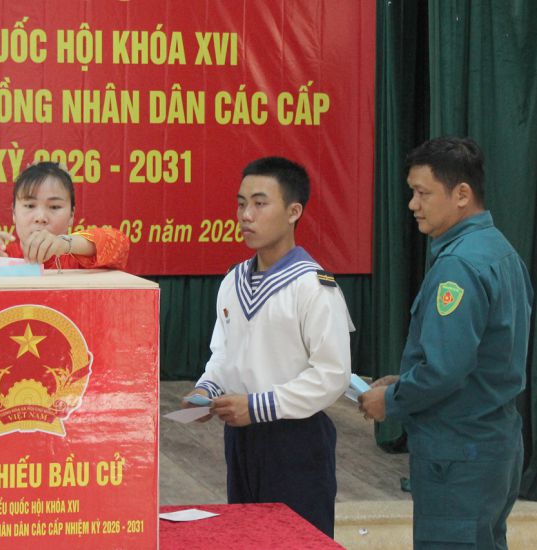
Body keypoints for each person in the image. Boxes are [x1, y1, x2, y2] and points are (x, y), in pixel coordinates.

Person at [359, 137, 533, 549]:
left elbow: (445, 369)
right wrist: (404, 380)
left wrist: (393, 401)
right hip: (496, 443)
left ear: (461, 195)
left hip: (459, 455)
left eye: (422, 193)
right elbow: (482, 356)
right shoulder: (501, 252)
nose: (412, 204)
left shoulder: (458, 266)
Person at [184, 156, 353, 538]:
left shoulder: (313, 285)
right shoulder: (234, 280)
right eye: (241, 203)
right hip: (241, 437)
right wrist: (206, 389)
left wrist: (258, 407)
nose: (246, 215)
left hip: (295, 439)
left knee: (296, 539)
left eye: (260, 203)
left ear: (294, 211)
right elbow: (224, 350)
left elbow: (332, 375)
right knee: (248, 537)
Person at [0, 161, 129, 272]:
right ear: (13, 214)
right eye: (30, 205)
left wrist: (65, 244)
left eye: (55, 207)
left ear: (72, 216)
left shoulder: (78, 256)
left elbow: (120, 245)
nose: (41, 217)